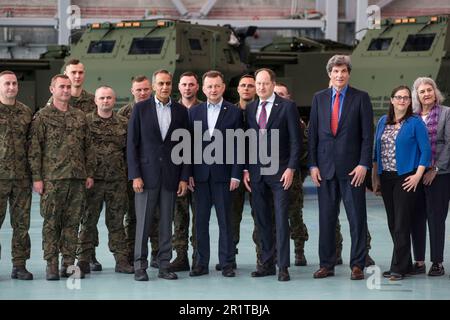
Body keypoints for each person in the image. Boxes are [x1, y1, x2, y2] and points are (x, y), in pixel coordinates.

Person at [308, 55, 373, 280]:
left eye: (344, 71)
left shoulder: (361, 98)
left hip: (353, 170)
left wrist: (364, 163)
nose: (340, 75)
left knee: (357, 218)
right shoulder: (319, 98)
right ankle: (326, 264)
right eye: (336, 71)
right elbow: (313, 134)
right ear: (329, 74)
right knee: (326, 218)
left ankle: (357, 264)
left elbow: (367, 135)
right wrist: (313, 164)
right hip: (324, 169)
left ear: (348, 73)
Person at [28, 74, 95, 280]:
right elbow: (34, 149)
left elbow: (88, 147)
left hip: (77, 179)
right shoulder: (42, 117)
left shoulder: (80, 116)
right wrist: (37, 178)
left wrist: (89, 173)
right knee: (51, 222)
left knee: (72, 223)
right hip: (52, 179)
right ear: (52, 89)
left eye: (68, 87)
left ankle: (68, 263)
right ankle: (51, 264)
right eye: (61, 87)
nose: (66, 90)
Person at [127, 69, 189, 281]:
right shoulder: (140, 109)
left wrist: (183, 177)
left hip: (171, 176)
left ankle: (164, 266)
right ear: (153, 86)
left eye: (168, 83)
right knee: (143, 223)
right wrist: (135, 175)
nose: (165, 87)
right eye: (161, 83)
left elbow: (186, 147)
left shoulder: (181, 112)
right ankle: (140, 266)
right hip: (145, 176)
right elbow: (132, 145)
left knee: (166, 223)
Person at [243, 68, 302, 282]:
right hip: (257, 173)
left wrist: (291, 169)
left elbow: (296, 141)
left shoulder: (287, 107)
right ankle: (266, 263)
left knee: (280, 219)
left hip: (280, 173)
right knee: (262, 220)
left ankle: (283, 266)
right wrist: (246, 169)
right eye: (257, 83)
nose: (260, 87)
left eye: (264, 83)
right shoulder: (250, 108)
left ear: (272, 84)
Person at [372, 85, 431, 281]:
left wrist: (417, 176)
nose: (402, 101)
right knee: (392, 222)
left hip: (406, 177)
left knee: (401, 223)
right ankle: (405, 263)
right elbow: (376, 152)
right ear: (391, 100)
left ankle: (397, 267)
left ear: (410, 101)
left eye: (406, 98)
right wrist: (375, 177)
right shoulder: (382, 122)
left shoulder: (415, 122)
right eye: (399, 97)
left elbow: (426, 152)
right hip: (386, 177)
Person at [188, 70, 243, 278]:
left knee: (225, 222)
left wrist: (236, 174)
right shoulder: (193, 112)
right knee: (200, 222)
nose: (213, 90)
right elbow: (188, 147)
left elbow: (240, 146)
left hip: (225, 177)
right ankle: (201, 263)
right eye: (209, 86)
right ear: (203, 89)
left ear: (223, 87)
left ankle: (227, 263)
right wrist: (189, 174)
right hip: (200, 177)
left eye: (217, 86)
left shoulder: (235, 112)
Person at [77, 86, 134, 275]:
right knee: (88, 221)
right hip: (92, 181)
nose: (105, 101)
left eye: (109, 98)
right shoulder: (85, 121)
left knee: (116, 222)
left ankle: (121, 260)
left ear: (114, 100)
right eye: (102, 98)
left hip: (117, 181)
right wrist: (85, 174)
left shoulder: (123, 123)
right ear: (95, 100)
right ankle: (83, 259)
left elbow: (129, 153)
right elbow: (79, 150)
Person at [118, 75, 159, 268]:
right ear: (132, 91)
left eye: (145, 89)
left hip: (154, 171)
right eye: (138, 90)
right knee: (133, 216)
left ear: (151, 89)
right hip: (132, 174)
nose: (142, 93)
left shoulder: (158, 110)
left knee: (156, 215)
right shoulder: (123, 114)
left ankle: (157, 254)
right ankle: (132, 255)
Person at [410, 77, 450, 277]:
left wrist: (435, 168)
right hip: (416, 174)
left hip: (440, 175)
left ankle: (437, 262)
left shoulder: (446, 113)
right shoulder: (412, 117)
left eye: (429, 90)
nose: (426, 94)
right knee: (416, 218)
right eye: (422, 91)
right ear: (416, 95)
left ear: (435, 92)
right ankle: (418, 261)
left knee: (436, 219)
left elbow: (449, 144)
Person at [0, 71, 33, 280]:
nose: (11, 87)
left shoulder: (25, 112)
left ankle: (19, 265)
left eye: (14, 83)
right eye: (6, 84)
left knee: (21, 224)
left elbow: (32, 146)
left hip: (21, 178)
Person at [168, 71, 202, 272]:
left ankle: (198, 256)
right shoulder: (172, 109)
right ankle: (181, 256)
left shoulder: (205, 109)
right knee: (179, 217)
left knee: (199, 217)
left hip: (199, 172)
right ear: (178, 87)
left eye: (191, 84)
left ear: (197, 87)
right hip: (177, 172)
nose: (188, 88)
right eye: (184, 84)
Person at [274, 82, 309, 266]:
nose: (278, 97)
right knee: (274, 215)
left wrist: (294, 168)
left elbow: (303, 148)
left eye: (282, 94)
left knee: (295, 214)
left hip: (292, 175)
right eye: (276, 94)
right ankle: (276, 251)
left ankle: (299, 250)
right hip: (272, 173)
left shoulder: (297, 120)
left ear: (288, 97)